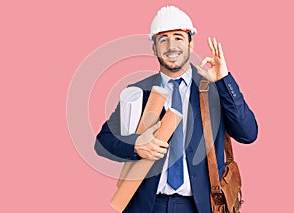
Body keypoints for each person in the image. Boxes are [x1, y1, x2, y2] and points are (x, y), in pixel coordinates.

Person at [94, 5, 258, 213]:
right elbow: (103, 141)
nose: (172, 45)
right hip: (146, 205)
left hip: (199, 206)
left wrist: (224, 80)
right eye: (163, 39)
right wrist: (136, 146)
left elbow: (248, 134)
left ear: (191, 44)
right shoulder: (137, 91)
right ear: (154, 48)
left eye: (179, 37)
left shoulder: (214, 90)